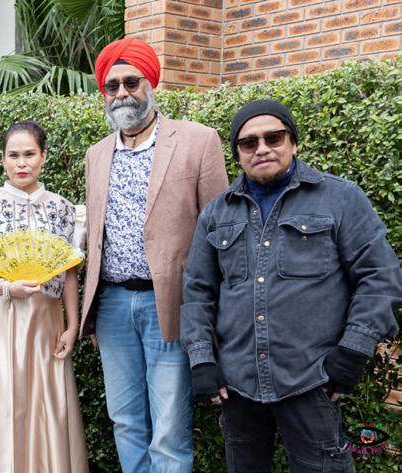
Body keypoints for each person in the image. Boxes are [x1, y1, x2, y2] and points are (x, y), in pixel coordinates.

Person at [182, 99, 402, 472]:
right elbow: (198, 291)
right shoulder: (217, 213)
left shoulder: (341, 198)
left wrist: (353, 350)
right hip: (238, 384)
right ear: (238, 154)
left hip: (311, 379)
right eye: (248, 143)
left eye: (274, 137)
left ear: (293, 143)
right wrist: (202, 360)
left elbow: (380, 276)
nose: (262, 148)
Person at [78, 38, 229, 473]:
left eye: (132, 82)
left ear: (150, 84)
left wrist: (211, 314)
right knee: (125, 421)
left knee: (168, 431)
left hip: (170, 306)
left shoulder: (198, 141)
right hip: (111, 306)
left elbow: (219, 233)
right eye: (112, 86)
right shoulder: (96, 154)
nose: (122, 93)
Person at [0, 120, 90, 472]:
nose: (21, 163)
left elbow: (69, 272)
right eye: (13, 155)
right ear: (2, 159)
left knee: (45, 404)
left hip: (46, 321)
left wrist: (72, 325)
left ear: (43, 156)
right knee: (2, 402)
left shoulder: (63, 208)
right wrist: (4, 286)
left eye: (29, 154)